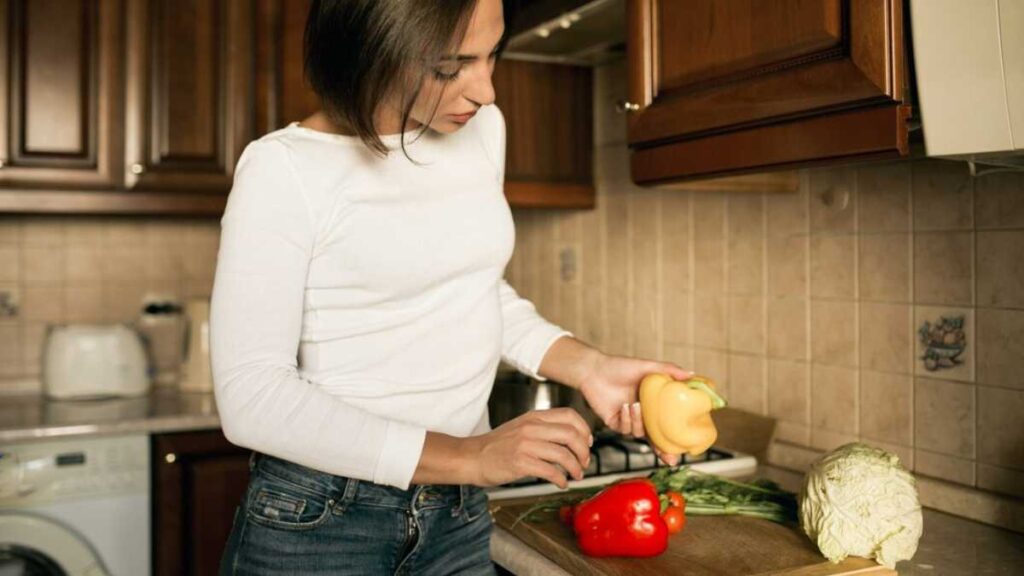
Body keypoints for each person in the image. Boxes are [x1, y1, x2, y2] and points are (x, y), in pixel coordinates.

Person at [211, 0, 691, 574]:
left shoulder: (482, 131)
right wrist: (468, 455)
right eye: (450, 67)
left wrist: (587, 366)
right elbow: (252, 399)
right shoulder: (283, 170)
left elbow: (471, 288)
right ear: (371, 50)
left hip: (457, 518)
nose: (485, 91)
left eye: (492, 55)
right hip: (321, 522)